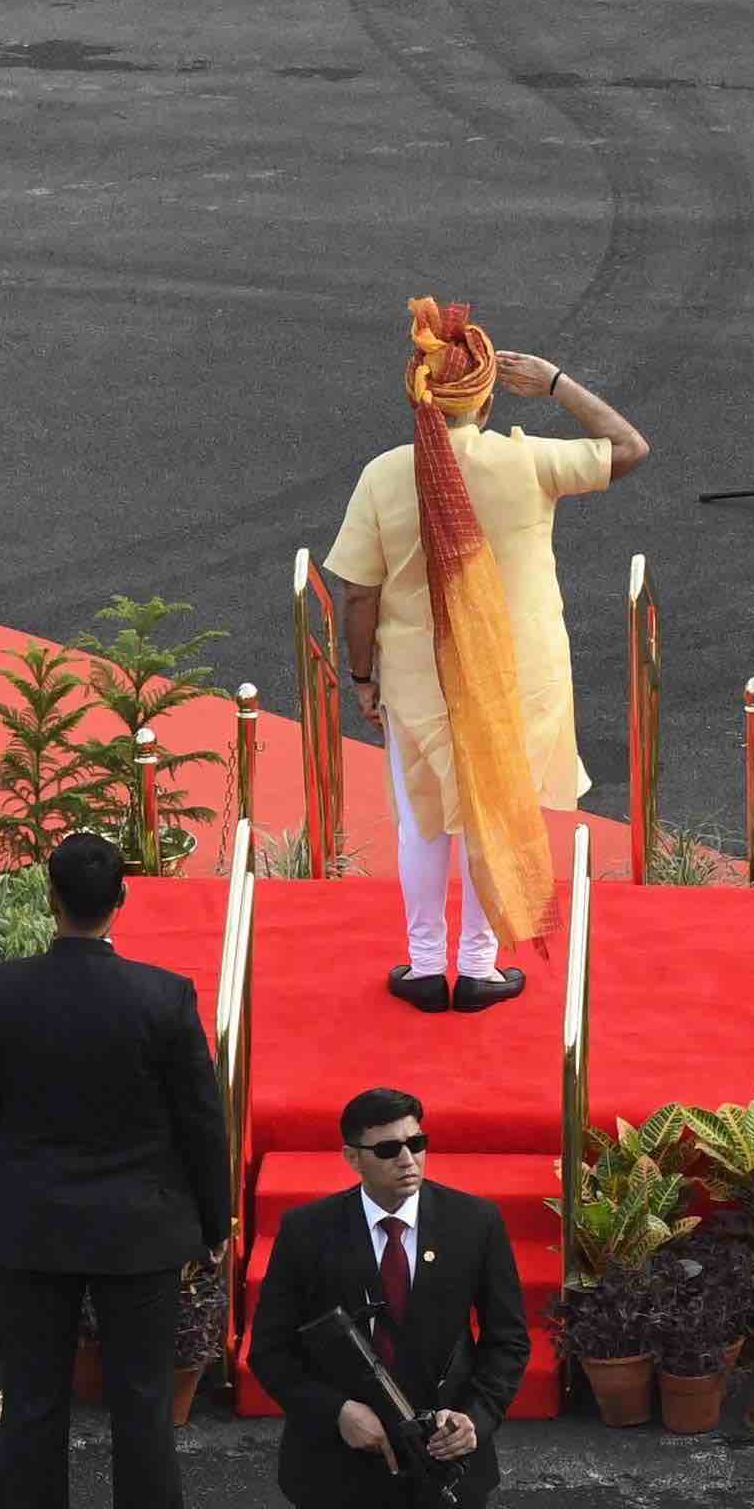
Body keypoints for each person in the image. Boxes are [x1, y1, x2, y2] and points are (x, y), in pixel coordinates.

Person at [319, 301, 647, 999]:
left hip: (416, 676)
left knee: (423, 822)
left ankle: (426, 962)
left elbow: (357, 594)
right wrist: (556, 382)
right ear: (490, 398)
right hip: (514, 674)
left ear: (416, 395)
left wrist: (361, 679)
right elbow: (628, 448)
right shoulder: (526, 461)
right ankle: (478, 965)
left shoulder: (383, 475)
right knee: (494, 809)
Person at [0, 833, 235, 1509]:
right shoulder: (163, 998)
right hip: (140, 1231)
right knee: (142, 1409)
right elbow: (202, 1121)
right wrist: (216, 1222)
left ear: (50, 898)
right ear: (122, 900)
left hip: (31, 1226)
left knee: (32, 1407)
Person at [249, 1087, 532, 1509]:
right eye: (387, 1149)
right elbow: (270, 1351)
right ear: (352, 1158)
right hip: (335, 1472)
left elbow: (508, 1340)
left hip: (445, 1464)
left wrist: (474, 1419)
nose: (407, 1159)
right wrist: (336, 1410)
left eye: (416, 1143)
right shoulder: (306, 1232)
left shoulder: (475, 1223)